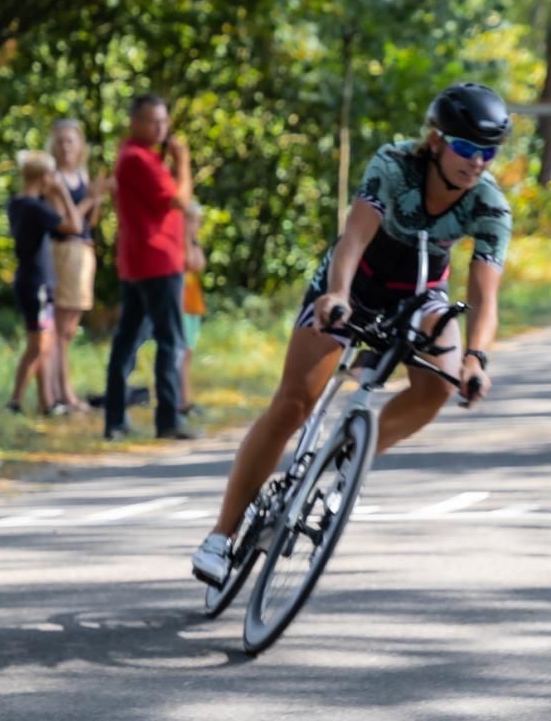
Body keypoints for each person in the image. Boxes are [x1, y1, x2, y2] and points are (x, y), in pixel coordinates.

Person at [191, 82, 513, 585]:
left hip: (420, 291)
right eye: (466, 148)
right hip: (355, 280)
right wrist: (337, 295)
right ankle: (221, 536)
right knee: (294, 402)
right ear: (436, 140)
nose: (476, 162)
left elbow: (485, 296)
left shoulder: (491, 206)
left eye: (488, 152)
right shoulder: (394, 166)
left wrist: (476, 359)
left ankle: (350, 460)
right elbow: (354, 237)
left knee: (441, 382)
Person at [103, 93, 198, 441]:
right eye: (152, 121)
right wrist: (183, 161)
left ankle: (116, 419)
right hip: (156, 261)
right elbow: (180, 200)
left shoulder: (143, 159)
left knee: (129, 339)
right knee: (169, 341)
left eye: (164, 121)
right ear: (135, 122)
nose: (160, 128)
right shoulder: (136, 158)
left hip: (147, 260)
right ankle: (168, 419)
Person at [7, 151, 84, 415]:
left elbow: (58, 219)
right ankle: (15, 401)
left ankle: (46, 402)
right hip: (36, 282)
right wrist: (61, 192)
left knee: (46, 343)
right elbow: (74, 224)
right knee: (38, 345)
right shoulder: (34, 208)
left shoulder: (18, 203)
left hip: (35, 281)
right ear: (44, 177)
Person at [48, 119, 109, 412]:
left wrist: (97, 199)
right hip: (63, 253)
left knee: (70, 329)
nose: (65, 147)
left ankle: (61, 390)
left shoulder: (82, 176)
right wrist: (89, 200)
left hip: (83, 254)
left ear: (79, 145)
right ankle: (63, 394)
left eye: (70, 141)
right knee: (60, 328)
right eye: (60, 141)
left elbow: (89, 222)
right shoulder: (53, 179)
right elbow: (65, 223)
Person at [180, 200, 207, 416]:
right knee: (181, 354)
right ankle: (181, 400)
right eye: (193, 221)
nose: (196, 226)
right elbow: (189, 262)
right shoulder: (178, 243)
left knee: (188, 354)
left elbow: (200, 263)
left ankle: (185, 398)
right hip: (180, 306)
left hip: (193, 305)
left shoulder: (193, 242)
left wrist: (193, 240)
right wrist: (187, 239)